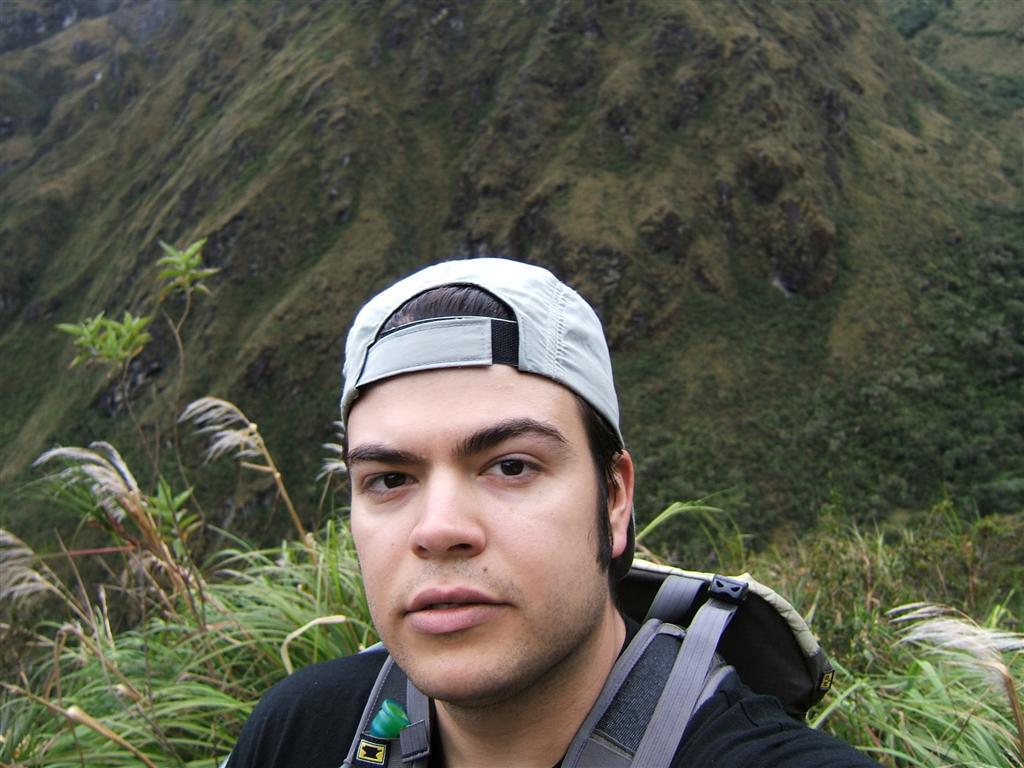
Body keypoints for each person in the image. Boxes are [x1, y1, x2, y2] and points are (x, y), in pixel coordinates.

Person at [226, 258, 881, 767]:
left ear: (614, 498)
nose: (438, 529)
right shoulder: (300, 732)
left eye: (511, 466)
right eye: (390, 478)